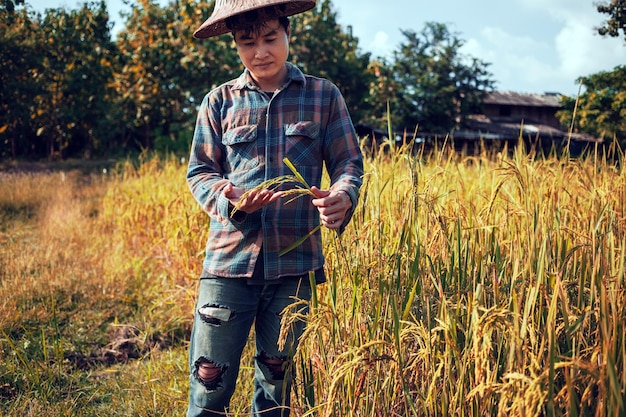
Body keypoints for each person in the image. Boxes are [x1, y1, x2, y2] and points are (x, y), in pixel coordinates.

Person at [185, 0, 363, 415]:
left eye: (269, 39)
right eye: (248, 43)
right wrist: (230, 200)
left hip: (295, 266)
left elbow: (348, 163)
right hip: (229, 264)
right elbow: (199, 172)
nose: (260, 52)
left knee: (275, 385)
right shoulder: (219, 101)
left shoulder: (323, 96)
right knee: (209, 384)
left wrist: (343, 196)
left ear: (287, 34)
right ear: (234, 45)